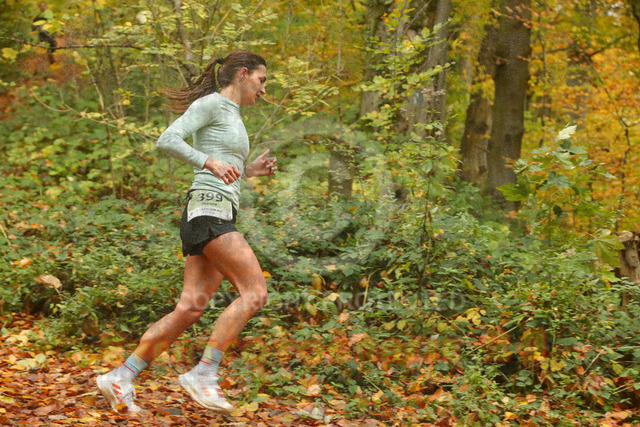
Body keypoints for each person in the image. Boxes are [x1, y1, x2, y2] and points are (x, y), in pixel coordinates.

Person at [97, 50, 277, 414]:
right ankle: (204, 374)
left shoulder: (232, 114)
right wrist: (208, 162)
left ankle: (121, 376)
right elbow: (168, 139)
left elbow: (225, 168)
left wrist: (248, 171)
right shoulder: (212, 104)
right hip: (209, 211)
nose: (263, 90)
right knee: (255, 293)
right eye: (261, 81)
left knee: (190, 308)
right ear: (243, 74)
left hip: (211, 212)